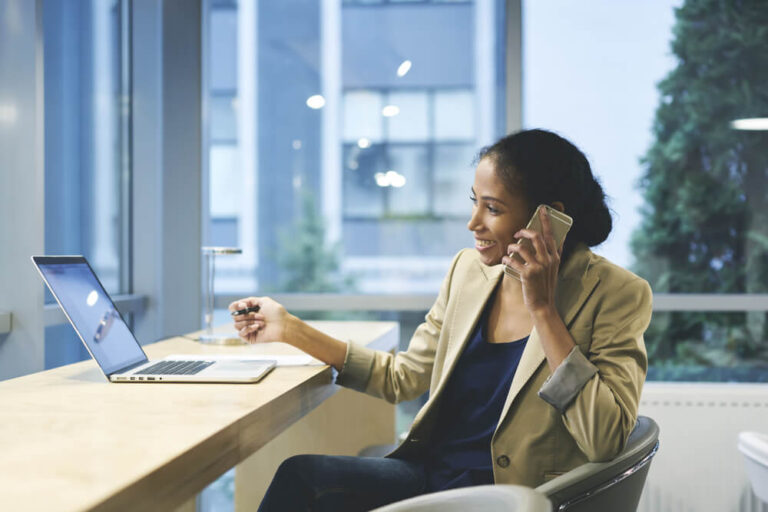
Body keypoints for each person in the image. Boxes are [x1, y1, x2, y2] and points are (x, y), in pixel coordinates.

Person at [231, 129, 653, 512]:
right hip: (433, 479)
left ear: (548, 217)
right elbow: (402, 378)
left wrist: (543, 310)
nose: (474, 224)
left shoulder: (616, 294)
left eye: (493, 209)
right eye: (475, 203)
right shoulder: (468, 272)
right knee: (302, 477)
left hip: (511, 497)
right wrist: (289, 329)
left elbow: (605, 439)